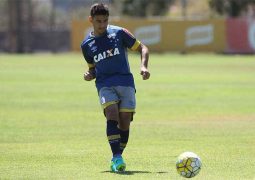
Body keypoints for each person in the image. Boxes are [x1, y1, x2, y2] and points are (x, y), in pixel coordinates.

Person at [81, 3, 150, 172]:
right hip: (105, 85)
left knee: (125, 121)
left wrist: (144, 66)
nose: (103, 25)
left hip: (126, 82)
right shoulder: (86, 45)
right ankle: (117, 157)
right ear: (91, 20)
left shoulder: (119, 33)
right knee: (112, 114)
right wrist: (89, 75)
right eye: (99, 21)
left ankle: (116, 156)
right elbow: (92, 68)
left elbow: (143, 48)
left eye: (105, 21)